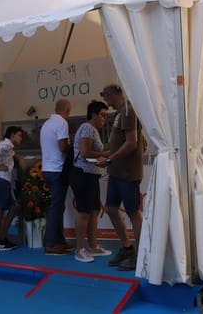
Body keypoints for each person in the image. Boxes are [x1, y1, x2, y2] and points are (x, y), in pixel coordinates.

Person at [99, 84, 145, 271]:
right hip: (116, 171)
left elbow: (131, 143)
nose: (106, 101)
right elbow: (121, 143)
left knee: (133, 212)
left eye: (106, 96)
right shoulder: (120, 113)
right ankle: (127, 248)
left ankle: (141, 254)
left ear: (115, 94)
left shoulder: (128, 111)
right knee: (111, 209)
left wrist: (109, 159)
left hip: (127, 172)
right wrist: (104, 156)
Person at [70, 100, 112, 263]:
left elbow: (89, 154)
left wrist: (102, 159)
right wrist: (105, 155)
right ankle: (79, 249)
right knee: (84, 211)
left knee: (94, 210)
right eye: (102, 115)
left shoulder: (93, 130)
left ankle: (93, 245)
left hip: (91, 174)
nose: (104, 119)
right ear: (93, 114)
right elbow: (85, 152)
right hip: (82, 174)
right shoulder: (87, 128)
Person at [40, 98, 73, 255]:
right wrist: (73, 146)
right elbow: (62, 146)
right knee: (56, 207)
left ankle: (59, 240)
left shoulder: (46, 124)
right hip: (58, 169)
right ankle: (52, 244)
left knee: (57, 207)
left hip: (47, 169)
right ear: (67, 110)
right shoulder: (62, 123)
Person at [0, 126, 24, 251]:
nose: (21, 138)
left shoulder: (10, 147)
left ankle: (2, 237)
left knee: (14, 207)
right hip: (0, 180)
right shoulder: (6, 144)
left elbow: (11, 156)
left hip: (3, 181)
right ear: (12, 135)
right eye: (19, 135)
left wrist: (19, 159)